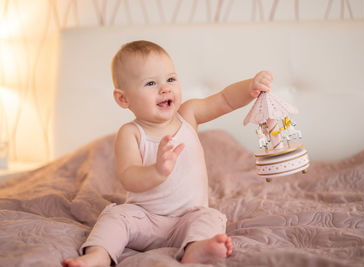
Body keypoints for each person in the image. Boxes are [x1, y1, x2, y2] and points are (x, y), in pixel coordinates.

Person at [62, 40, 273, 267]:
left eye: (171, 79)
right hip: (145, 220)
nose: (165, 88)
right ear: (123, 98)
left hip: (188, 217)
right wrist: (157, 170)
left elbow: (224, 99)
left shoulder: (188, 114)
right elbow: (129, 177)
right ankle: (98, 256)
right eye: (151, 83)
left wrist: (249, 87)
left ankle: (197, 248)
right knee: (114, 216)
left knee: (210, 217)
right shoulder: (131, 133)